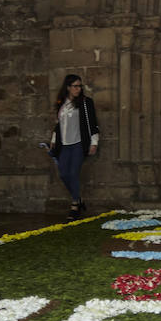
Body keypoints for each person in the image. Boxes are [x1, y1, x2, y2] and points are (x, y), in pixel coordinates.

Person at [49, 74, 99, 219]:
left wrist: (94, 142)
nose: (78, 89)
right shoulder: (61, 103)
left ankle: (74, 205)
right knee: (64, 174)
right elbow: (58, 124)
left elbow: (93, 123)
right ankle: (78, 198)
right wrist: (53, 139)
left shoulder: (85, 102)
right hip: (64, 144)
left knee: (73, 173)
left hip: (78, 143)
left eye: (80, 86)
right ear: (68, 87)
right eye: (75, 86)